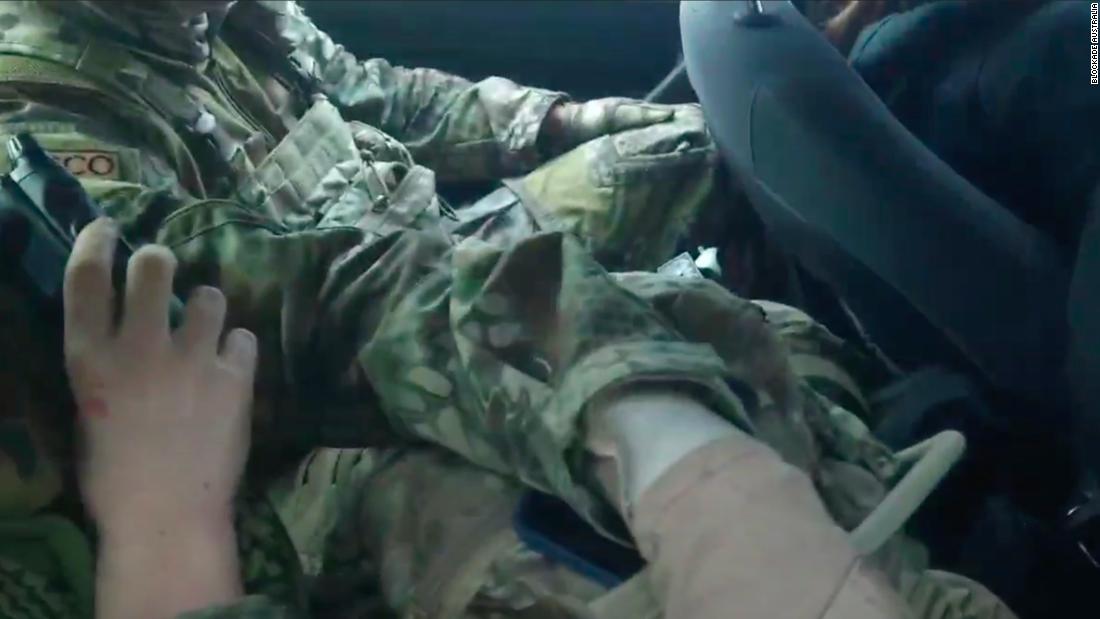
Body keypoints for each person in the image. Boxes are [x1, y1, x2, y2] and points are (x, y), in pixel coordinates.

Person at [0, 1, 1013, 617]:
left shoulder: (217, 15)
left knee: (717, 161)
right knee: (530, 517)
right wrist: (655, 435)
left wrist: (589, 123)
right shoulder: (43, 110)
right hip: (309, 437)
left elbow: (390, 100)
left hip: (442, 260)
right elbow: (299, 313)